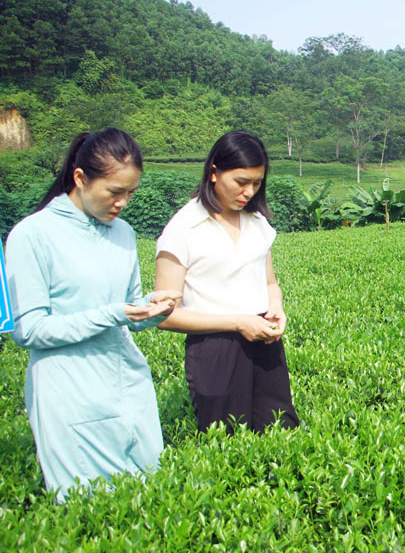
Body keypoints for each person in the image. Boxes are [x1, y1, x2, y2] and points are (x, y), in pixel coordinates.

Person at [5, 128, 180, 501]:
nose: (123, 203)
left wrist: (152, 308)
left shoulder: (124, 234)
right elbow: (29, 330)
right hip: (69, 389)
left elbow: (128, 305)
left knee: (149, 497)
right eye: (114, 192)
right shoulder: (32, 235)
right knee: (90, 508)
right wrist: (113, 313)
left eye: (131, 193)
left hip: (126, 383)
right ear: (80, 178)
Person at [154, 130, 299, 434]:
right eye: (241, 182)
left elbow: (270, 283)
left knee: (280, 430)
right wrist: (237, 322)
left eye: (256, 183)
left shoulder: (257, 222)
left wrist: (276, 310)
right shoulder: (183, 228)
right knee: (228, 438)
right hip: (214, 347)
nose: (248, 192)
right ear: (214, 173)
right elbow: (164, 315)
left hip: (264, 338)